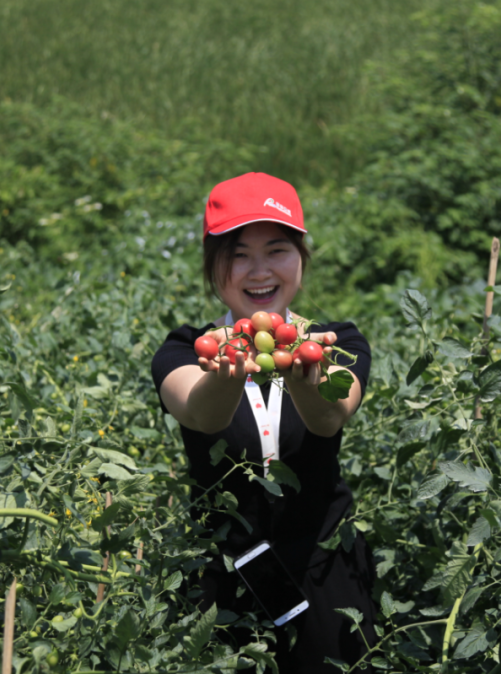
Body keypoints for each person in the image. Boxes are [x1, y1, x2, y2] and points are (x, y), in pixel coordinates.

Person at [150, 172, 376, 671]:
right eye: (238, 254)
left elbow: (329, 416)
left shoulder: (337, 344)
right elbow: (201, 412)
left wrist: (303, 374)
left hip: (325, 576)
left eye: (277, 250)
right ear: (214, 267)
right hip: (223, 580)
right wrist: (228, 375)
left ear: (300, 258)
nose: (259, 271)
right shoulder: (188, 351)